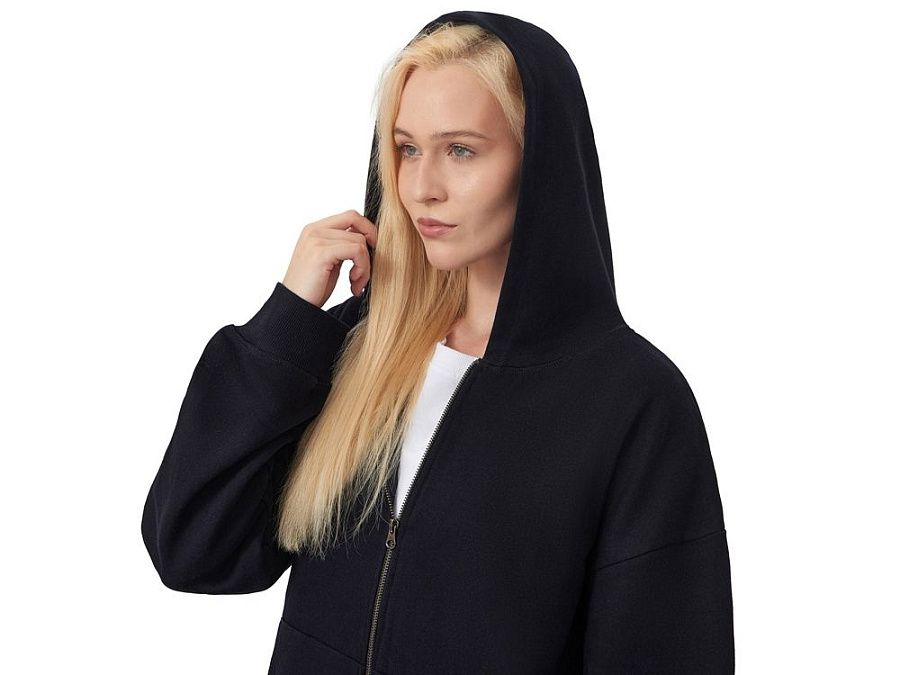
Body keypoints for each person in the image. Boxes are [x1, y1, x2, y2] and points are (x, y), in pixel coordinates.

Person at [141, 10, 735, 674]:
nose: (422, 188)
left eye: (461, 150)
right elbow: (192, 549)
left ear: (538, 162)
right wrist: (287, 324)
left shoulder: (632, 401)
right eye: (406, 148)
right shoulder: (354, 348)